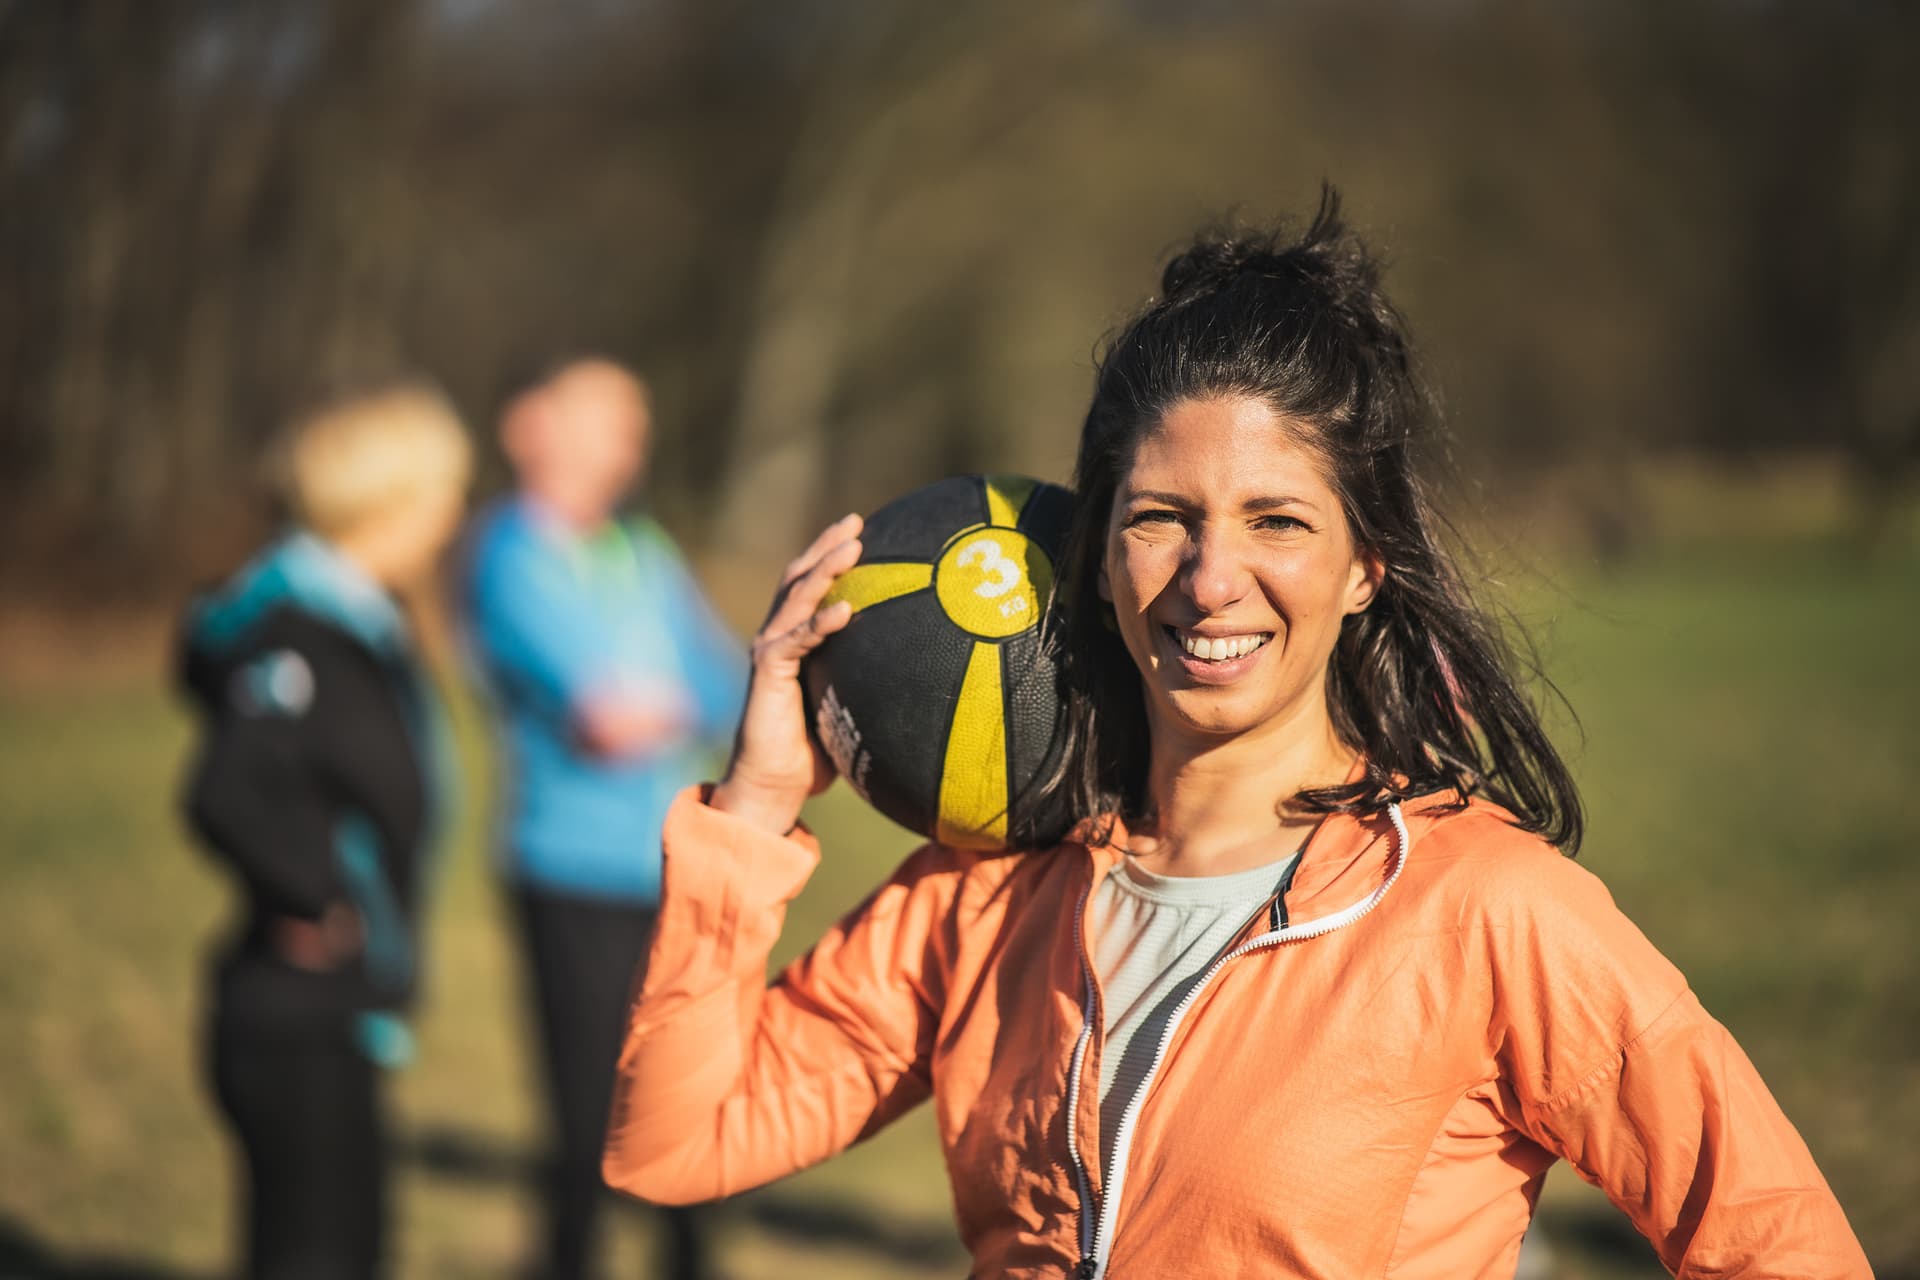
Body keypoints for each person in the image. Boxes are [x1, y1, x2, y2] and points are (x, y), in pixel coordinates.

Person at [599, 192, 1873, 1277]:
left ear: (1367, 563)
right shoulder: (988, 890)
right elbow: (678, 1137)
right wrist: (755, 804)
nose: (1212, 580)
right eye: (1162, 516)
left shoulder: (1490, 910)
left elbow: (1777, 1238)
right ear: (1095, 555)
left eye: (1278, 521)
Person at [178, 377, 471, 1280]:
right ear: (388, 499)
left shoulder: (357, 620)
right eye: (445, 491)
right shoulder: (297, 630)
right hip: (294, 1006)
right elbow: (226, 791)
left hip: (341, 1003)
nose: (456, 515)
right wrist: (317, 897)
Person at [463, 356, 747, 1280]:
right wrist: (659, 703)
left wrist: (659, 698)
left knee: (693, 1096)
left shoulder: (641, 550)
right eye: (605, 419)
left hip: (675, 864)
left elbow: (725, 684)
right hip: (571, 869)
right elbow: (604, 717)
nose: (628, 444)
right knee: (586, 1112)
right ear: (530, 426)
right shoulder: (509, 556)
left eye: (635, 424)